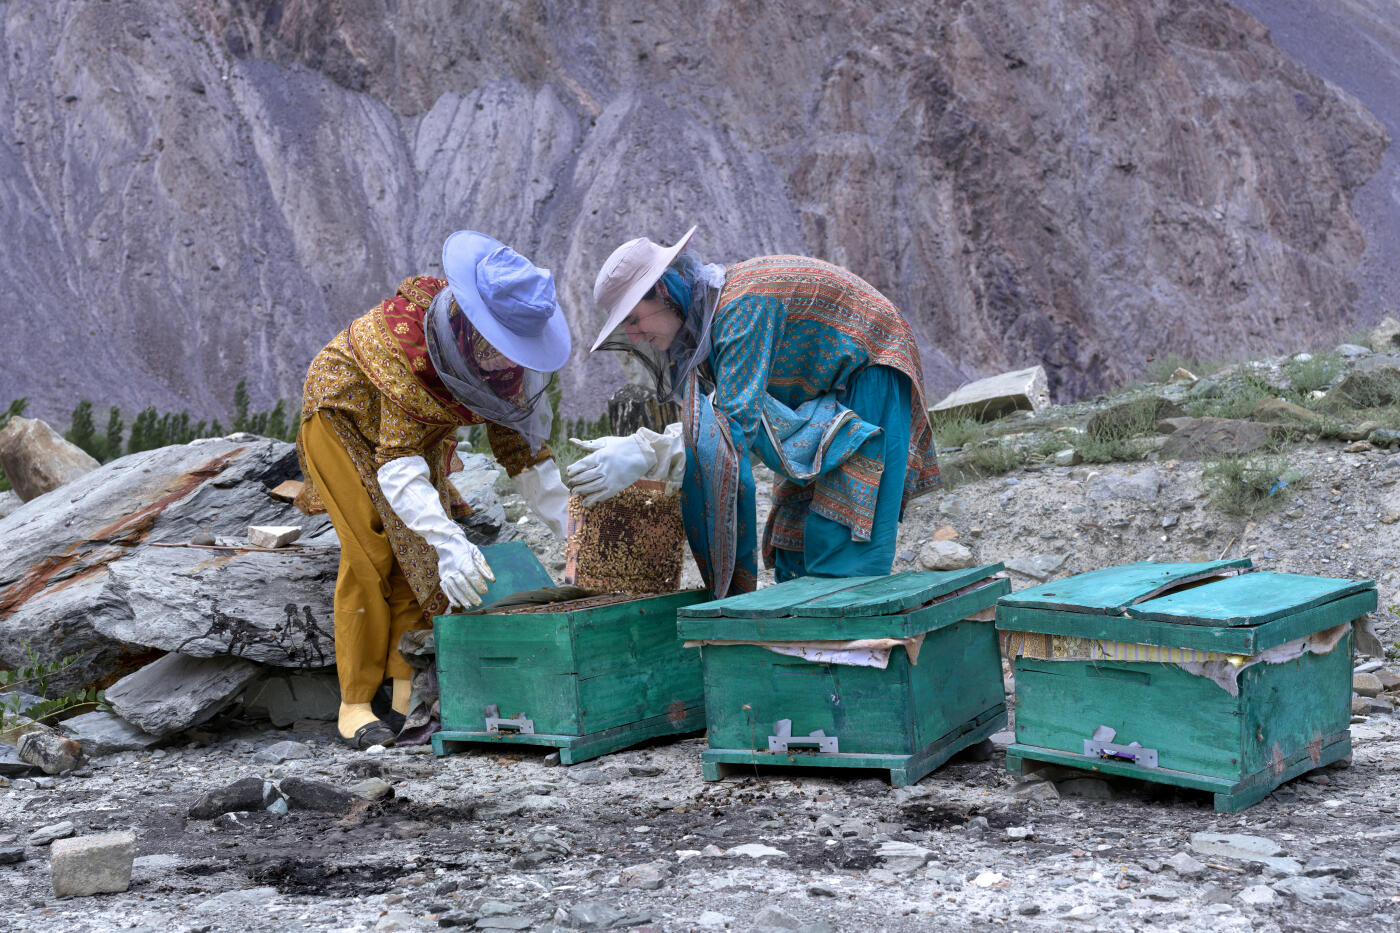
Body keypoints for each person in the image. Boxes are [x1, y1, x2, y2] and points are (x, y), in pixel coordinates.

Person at [294, 231, 571, 748]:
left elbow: (525, 457)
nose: (511, 365)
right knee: (371, 552)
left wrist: (576, 533)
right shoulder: (408, 350)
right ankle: (354, 702)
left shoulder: (502, 362)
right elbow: (398, 463)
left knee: (416, 556)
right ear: (474, 331)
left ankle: (405, 694)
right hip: (344, 416)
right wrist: (450, 542)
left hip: (415, 435)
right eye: (502, 351)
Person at [567, 228, 940, 598]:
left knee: (841, 532)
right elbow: (717, 421)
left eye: (633, 319)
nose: (633, 336)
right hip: (817, 390)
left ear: (664, 292)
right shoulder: (710, 324)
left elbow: (732, 427)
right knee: (796, 533)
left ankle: (845, 643)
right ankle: (800, 645)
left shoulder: (743, 306)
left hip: (870, 370)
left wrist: (649, 452)